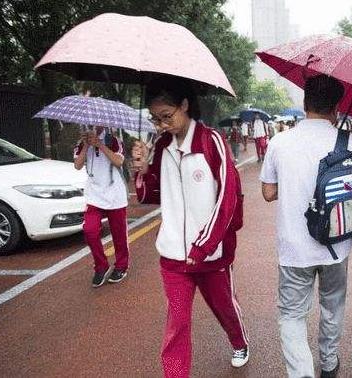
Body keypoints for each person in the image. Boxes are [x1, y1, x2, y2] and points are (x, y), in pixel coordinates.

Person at [131, 77, 249, 378]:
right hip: (173, 255)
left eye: (167, 116)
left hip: (211, 256)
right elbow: (150, 195)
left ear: (185, 105)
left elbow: (228, 199)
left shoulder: (213, 143)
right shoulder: (160, 146)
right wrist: (143, 171)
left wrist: (203, 245)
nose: (161, 125)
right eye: (155, 118)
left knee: (224, 308)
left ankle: (238, 341)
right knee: (177, 323)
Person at [260, 74, 352, 378]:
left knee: (292, 315)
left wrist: (293, 184)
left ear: (305, 103)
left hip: (294, 249)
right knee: (332, 306)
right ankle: (329, 364)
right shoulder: (350, 141)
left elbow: (267, 193)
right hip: (336, 246)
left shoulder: (280, 142)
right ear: (336, 106)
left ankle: (302, 373)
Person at [74, 126, 129, 288]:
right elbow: (77, 165)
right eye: (88, 124)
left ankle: (121, 266)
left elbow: (119, 161)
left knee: (119, 235)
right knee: (89, 230)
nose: (92, 127)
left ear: (103, 124)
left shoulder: (114, 141)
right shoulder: (81, 143)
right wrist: (86, 145)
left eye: (95, 124)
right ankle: (101, 265)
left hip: (114, 194)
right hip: (94, 195)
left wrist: (100, 145)